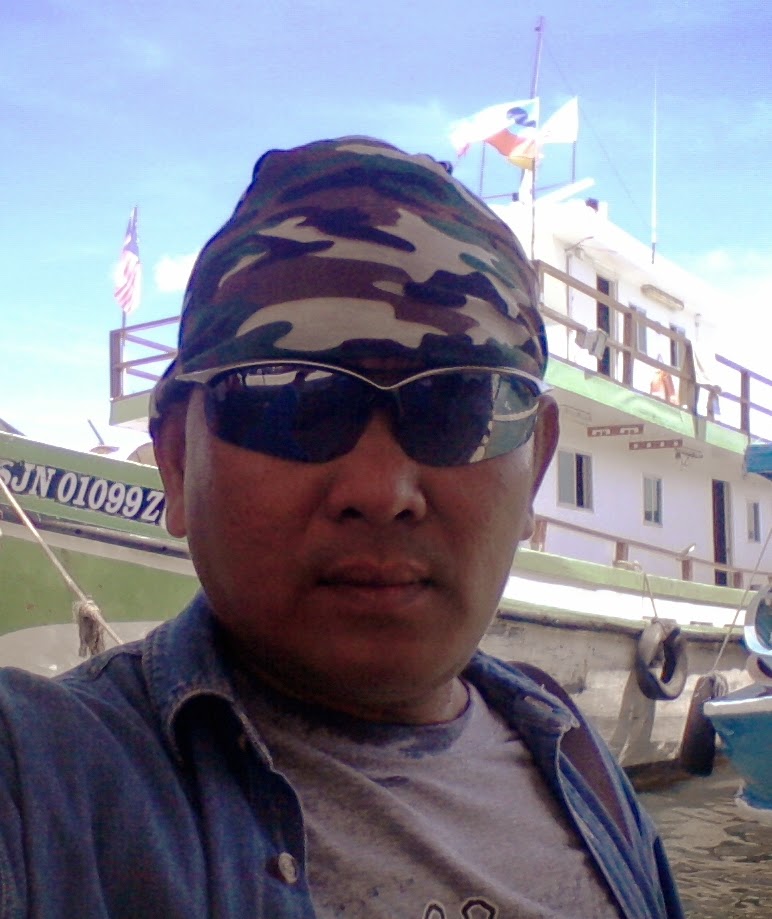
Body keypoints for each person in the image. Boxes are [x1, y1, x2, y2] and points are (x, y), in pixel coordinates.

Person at [0, 136, 683, 919]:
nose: (381, 490)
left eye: (460, 406)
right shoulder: (41, 784)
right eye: (290, 398)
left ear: (537, 463)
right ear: (177, 461)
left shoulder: (575, 754)